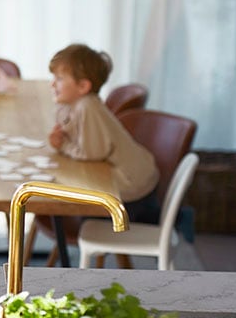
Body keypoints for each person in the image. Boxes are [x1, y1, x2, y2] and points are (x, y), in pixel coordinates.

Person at [47, 43, 160, 221]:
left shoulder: (87, 106)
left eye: (60, 78)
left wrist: (63, 146)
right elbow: (68, 125)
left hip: (131, 191)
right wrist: (62, 136)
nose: (53, 83)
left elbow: (90, 153)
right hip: (132, 178)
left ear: (83, 86)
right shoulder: (77, 103)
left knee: (65, 188)